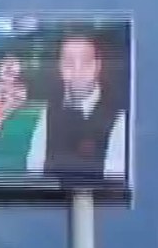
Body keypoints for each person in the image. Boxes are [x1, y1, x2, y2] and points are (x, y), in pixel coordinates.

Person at [26, 33, 126, 179]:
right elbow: (35, 168)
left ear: (98, 65)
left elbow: (118, 179)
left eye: (85, 62)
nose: (77, 71)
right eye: (69, 63)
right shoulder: (49, 111)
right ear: (60, 67)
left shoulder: (120, 115)